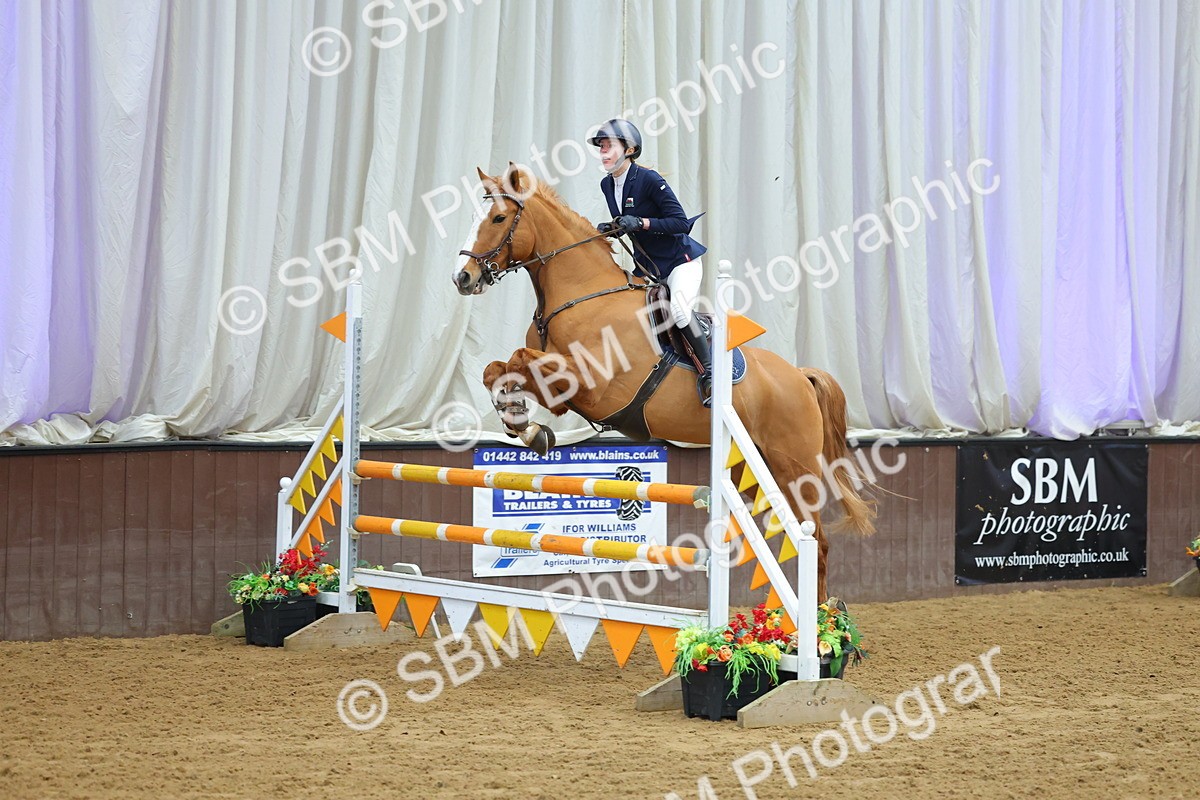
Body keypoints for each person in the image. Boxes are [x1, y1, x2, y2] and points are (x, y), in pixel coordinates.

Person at [589, 118, 712, 403]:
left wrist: (642, 222)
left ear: (629, 149)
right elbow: (627, 221)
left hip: (680, 263)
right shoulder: (607, 184)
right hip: (648, 268)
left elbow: (680, 223)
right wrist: (614, 227)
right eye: (601, 147)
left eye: (610, 146)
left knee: (680, 311)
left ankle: (708, 373)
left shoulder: (649, 180)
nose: (604, 151)